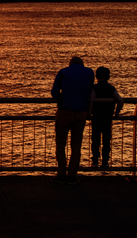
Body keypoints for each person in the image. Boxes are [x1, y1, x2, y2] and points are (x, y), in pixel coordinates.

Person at [50, 56, 95, 185]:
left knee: (60, 144)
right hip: (81, 112)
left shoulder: (63, 72)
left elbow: (54, 92)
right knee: (76, 145)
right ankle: (73, 174)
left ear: (70, 64)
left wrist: (61, 98)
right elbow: (90, 90)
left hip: (65, 111)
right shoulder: (89, 72)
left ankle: (61, 173)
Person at [90, 66, 124, 168]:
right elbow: (120, 100)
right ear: (108, 77)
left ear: (96, 77)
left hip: (96, 117)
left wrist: (89, 112)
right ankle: (105, 161)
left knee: (95, 139)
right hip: (107, 117)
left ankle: (95, 161)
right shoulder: (111, 88)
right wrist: (117, 112)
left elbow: (91, 100)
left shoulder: (94, 88)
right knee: (106, 139)